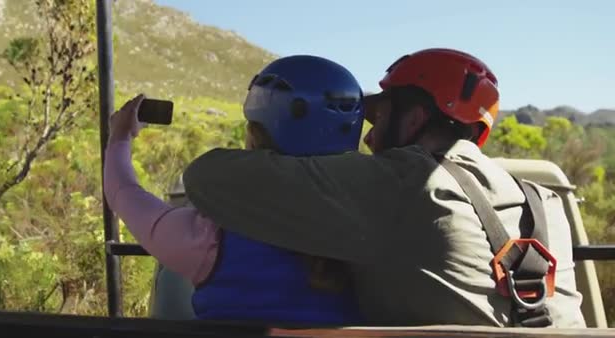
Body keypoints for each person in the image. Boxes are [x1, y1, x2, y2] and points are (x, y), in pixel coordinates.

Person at [180, 48, 587, 327]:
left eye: (376, 115)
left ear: (413, 118)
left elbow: (206, 178)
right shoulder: (542, 199)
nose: (368, 137)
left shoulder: (400, 184)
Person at [103, 55, 366, 324]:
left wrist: (120, 137)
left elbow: (123, 193)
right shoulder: (372, 225)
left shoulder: (212, 235)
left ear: (254, 138)